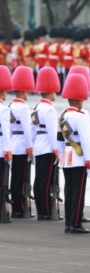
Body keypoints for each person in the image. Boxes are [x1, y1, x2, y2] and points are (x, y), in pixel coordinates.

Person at [57, 74, 90, 234]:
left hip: (66, 156)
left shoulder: (62, 116)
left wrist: (59, 156)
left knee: (69, 190)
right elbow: (85, 140)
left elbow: (59, 138)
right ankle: (75, 223)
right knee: (78, 192)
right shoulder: (81, 116)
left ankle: (68, 223)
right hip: (78, 157)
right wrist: (89, 159)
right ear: (79, 100)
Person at [32, 67, 60, 220]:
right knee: (46, 180)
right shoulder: (49, 109)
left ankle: (41, 210)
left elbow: (33, 130)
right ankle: (46, 211)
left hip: (38, 146)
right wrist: (56, 150)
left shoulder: (35, 108)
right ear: (50, 92)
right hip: (48, 148)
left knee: (39, 179)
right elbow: (52, 132)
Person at [10, 66, 34, 218]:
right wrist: (30, 147)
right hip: (22, 146)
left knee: (15, 177)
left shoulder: (10, 106)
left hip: (13, 144)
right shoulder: (24, 108)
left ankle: (15, 205)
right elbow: (27, 129)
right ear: (24, 90)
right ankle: (19, 207)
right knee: (21, 177)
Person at [0, 66, 13, 222]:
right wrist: (8, 152)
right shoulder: (3, 109)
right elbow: (6, 131)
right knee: (2, 182)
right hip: (1, 149)